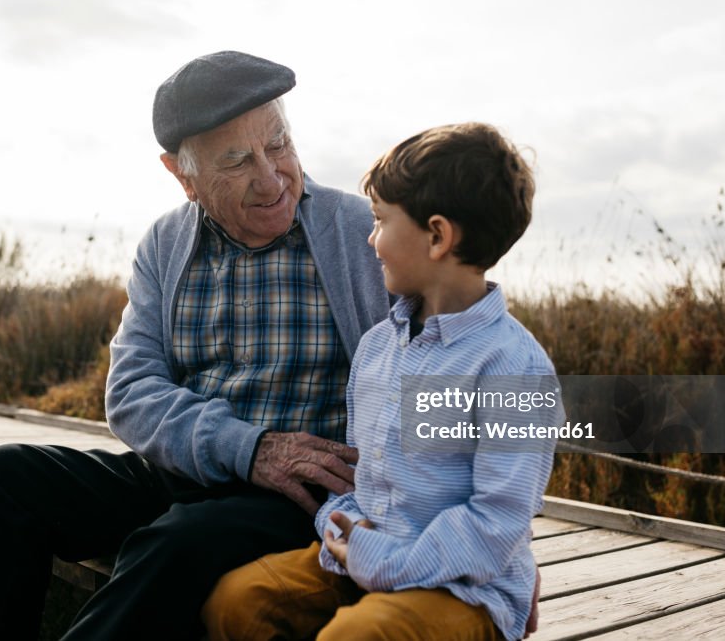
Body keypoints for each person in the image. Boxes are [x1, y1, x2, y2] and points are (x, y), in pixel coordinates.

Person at [0, 51, 390, 640]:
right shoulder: (166, 243)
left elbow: (445, 368)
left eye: (279, 144)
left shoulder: (363, 233)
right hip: (185, 470)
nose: (270, 177)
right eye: (237, 161)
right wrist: (248, 446)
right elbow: (132, 393)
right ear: (181, 174)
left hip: (298, 496)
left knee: (176, 544)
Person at [202, 122, 561, 641]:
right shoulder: (376, 349)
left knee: (358, 636)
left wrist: (379, 559)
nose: (371, 240)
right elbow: (365, 478)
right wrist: (339, 526)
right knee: (239, 602)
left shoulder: (513, 368)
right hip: (362, 558)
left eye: (380, 221)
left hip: (465, 592)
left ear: (437, 236)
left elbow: (496, 526)